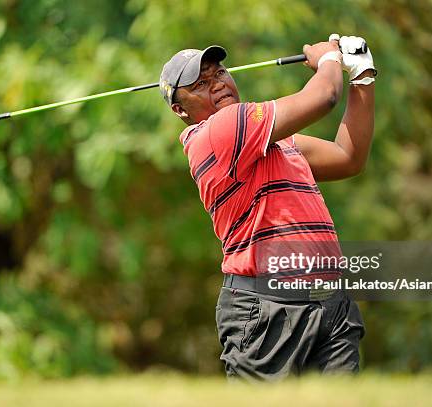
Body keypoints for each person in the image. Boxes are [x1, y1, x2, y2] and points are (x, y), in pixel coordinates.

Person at [159, 35, 376, 380]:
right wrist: (330, 58)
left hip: (330, 305)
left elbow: (349, 158)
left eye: (219, 73)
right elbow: (324, 96)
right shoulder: (219, 131)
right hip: (267, 312)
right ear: (180, 109)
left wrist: (362, 75)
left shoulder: (278, 141)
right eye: (200, 84)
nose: (216, 84)